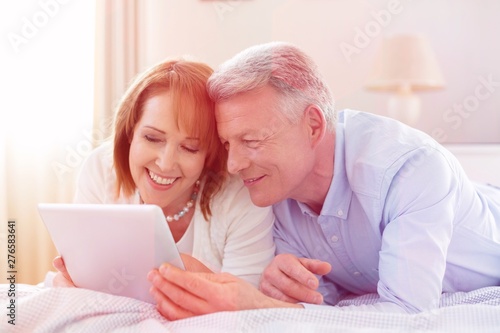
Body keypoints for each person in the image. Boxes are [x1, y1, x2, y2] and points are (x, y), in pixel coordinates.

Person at [147, 41, 500, 320]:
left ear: (313, 125)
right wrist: (290, 290)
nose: (235, 164)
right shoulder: (273, 191)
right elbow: (326, 300)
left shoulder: (410, 169)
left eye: (251, 141)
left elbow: (408, 317)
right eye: (227, 144)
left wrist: (257, 306)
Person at [52, 58, 276, 294]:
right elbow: (83, 281)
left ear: (209, 155)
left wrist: (189, 271)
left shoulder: (240, 195)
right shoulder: (101, 169)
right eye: (152, 138)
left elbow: (249, 306)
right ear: (130, 132)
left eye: (190, 148)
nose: (166, 164)